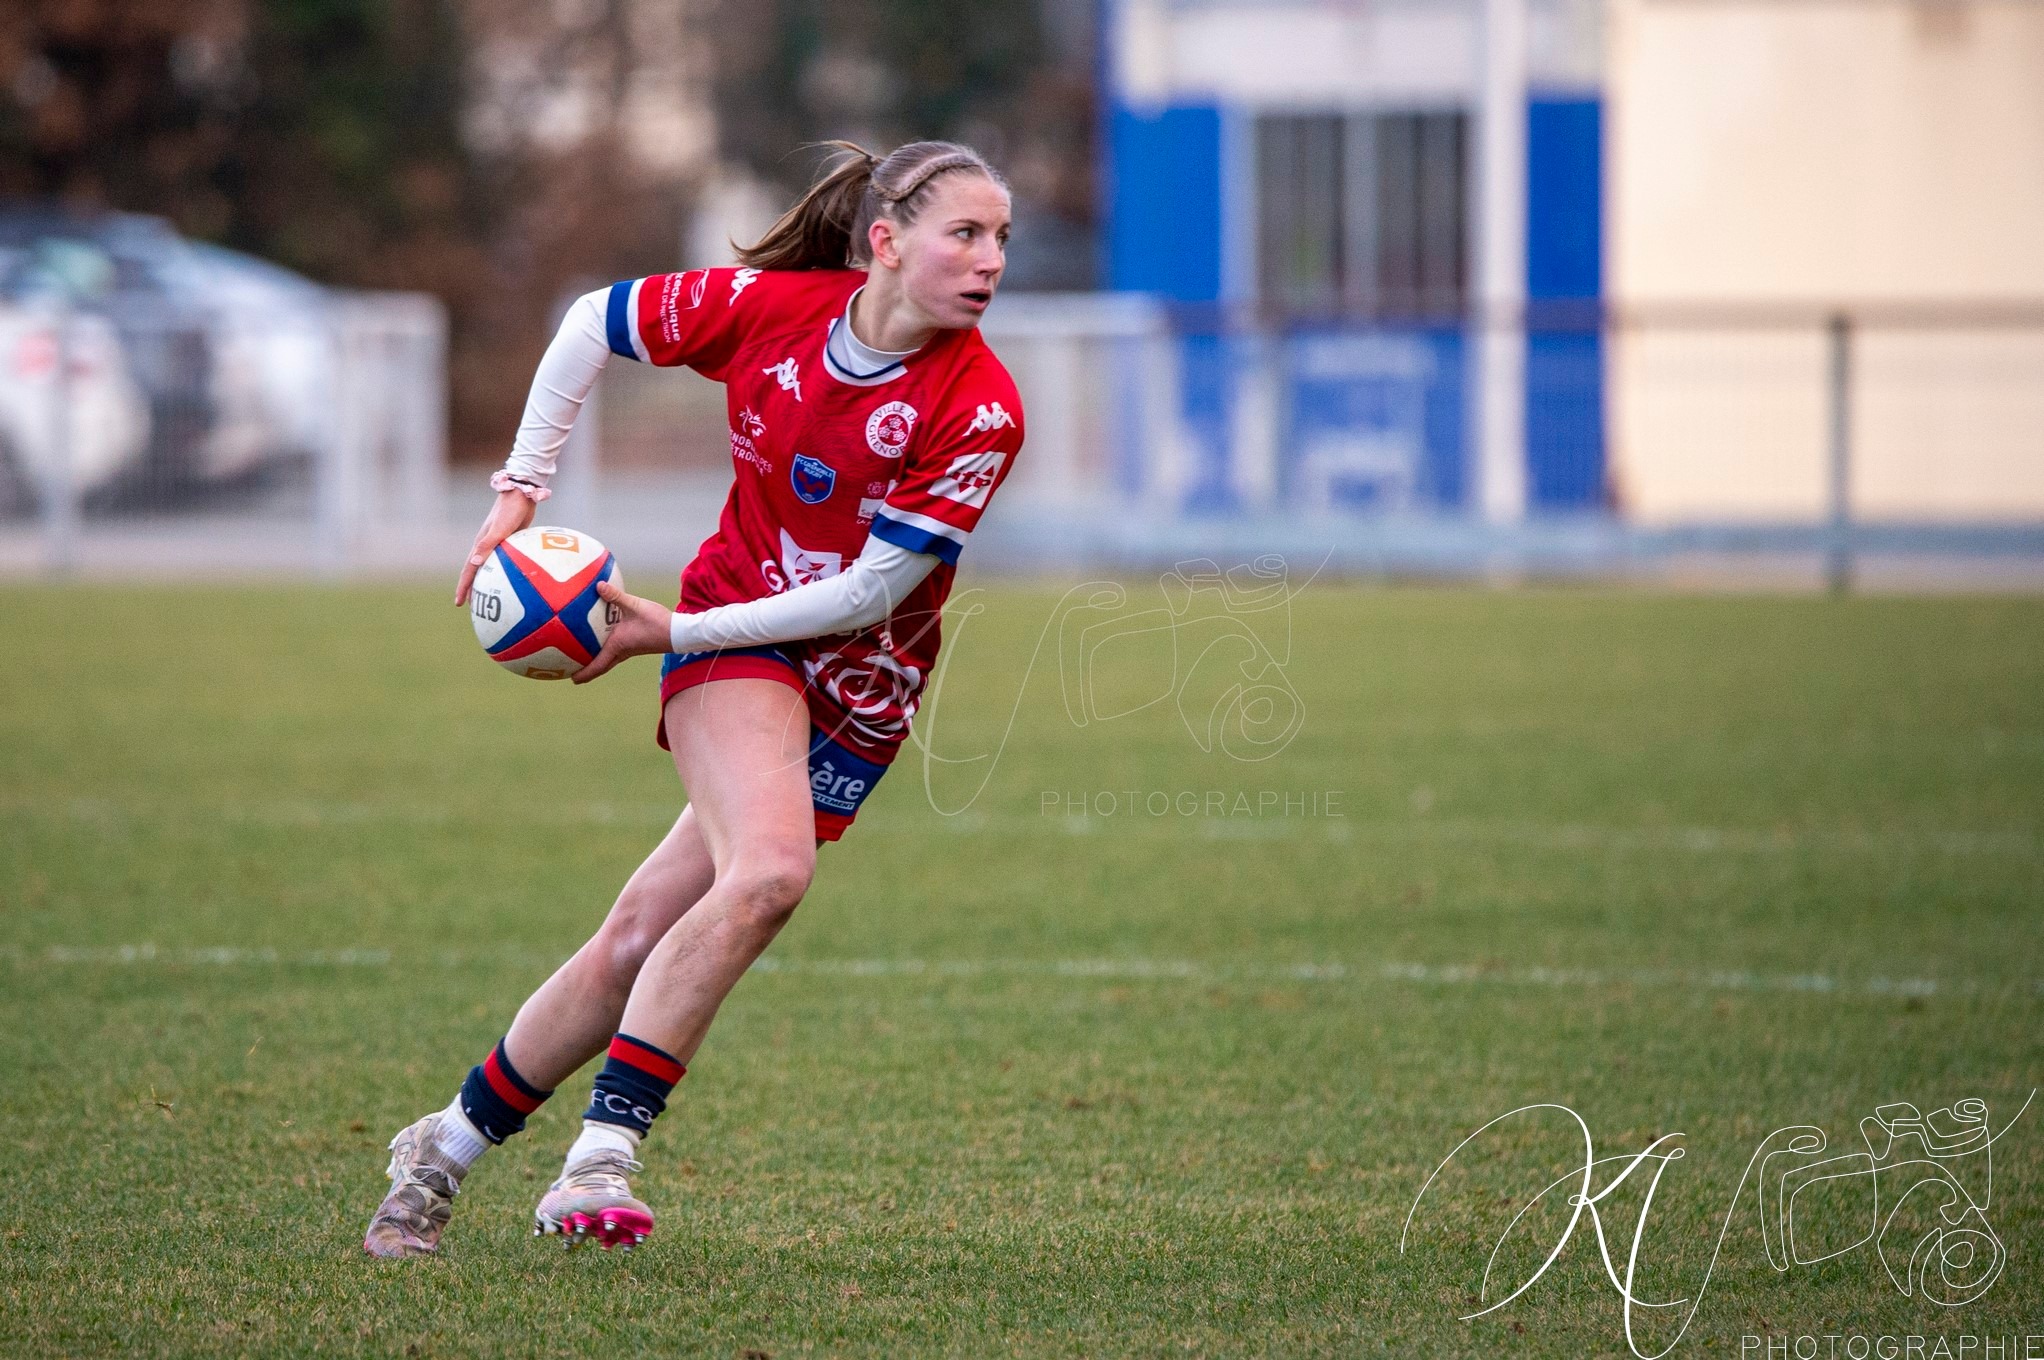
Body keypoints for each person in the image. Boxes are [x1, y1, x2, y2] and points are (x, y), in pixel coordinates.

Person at [363, 140, 1024, 1257]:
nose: (989, 260)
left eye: (1003, 238)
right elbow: (589, 322)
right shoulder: (773, 312)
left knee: (638, 934)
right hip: (739, 636)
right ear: (886, 239)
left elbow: (865, 591)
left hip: (859, 680)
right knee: (769, 872)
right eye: (965, 232)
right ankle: (597, 1161)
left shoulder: (982, 409)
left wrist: (663, 628)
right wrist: (522, 487)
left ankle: (441, 1152)